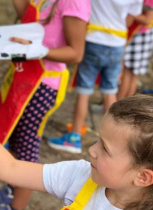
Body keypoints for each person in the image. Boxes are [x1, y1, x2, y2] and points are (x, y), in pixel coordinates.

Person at [0, 83, 153, 210]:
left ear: (142, 177)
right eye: (98, 140)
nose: (91, 150)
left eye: (105, 149)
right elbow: (9, 168)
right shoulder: (81, 175)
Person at [0, 0, 91, 209]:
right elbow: (29, 18)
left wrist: (37, 50)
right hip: (25, 77)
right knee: (14, 141)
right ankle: (11, 190)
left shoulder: (75, 3)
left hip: (43, 85)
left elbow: (76, 53)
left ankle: (16, 206)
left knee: (26, 149)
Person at [48, 0, 143, 154]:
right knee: (110, 90)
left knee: (84, 91)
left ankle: (74, 137)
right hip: (117, 42)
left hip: (94, 40)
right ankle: (113, 140)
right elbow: (130, 19)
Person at [118, 0, 153, 100]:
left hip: (139, 36)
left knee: (127, 73)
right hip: (144, 36)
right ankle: (125, 106)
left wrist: (128, 13)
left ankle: (118, 105)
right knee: (133, 74)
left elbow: (147, 19)